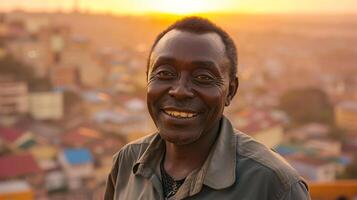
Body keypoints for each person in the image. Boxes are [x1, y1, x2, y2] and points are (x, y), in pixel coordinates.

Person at [105, 16, 310, 200]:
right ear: (147, 80)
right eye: (164, 73)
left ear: (230, 91)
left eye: (203, 77)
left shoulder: (275, 186)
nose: (180, 91)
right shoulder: (127, 162)